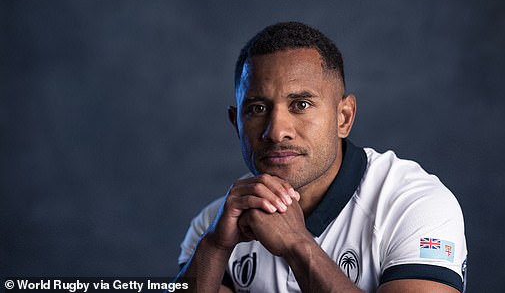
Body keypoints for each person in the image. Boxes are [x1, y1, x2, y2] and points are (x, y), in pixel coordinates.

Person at [175, 21, 467, 293]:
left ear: (344, 117)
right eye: (257, 109)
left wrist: (297, 245)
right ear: (235, 122)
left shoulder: (415, 205)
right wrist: (214, 247)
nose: (276, 132)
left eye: (300, 104)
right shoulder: (216, 224)